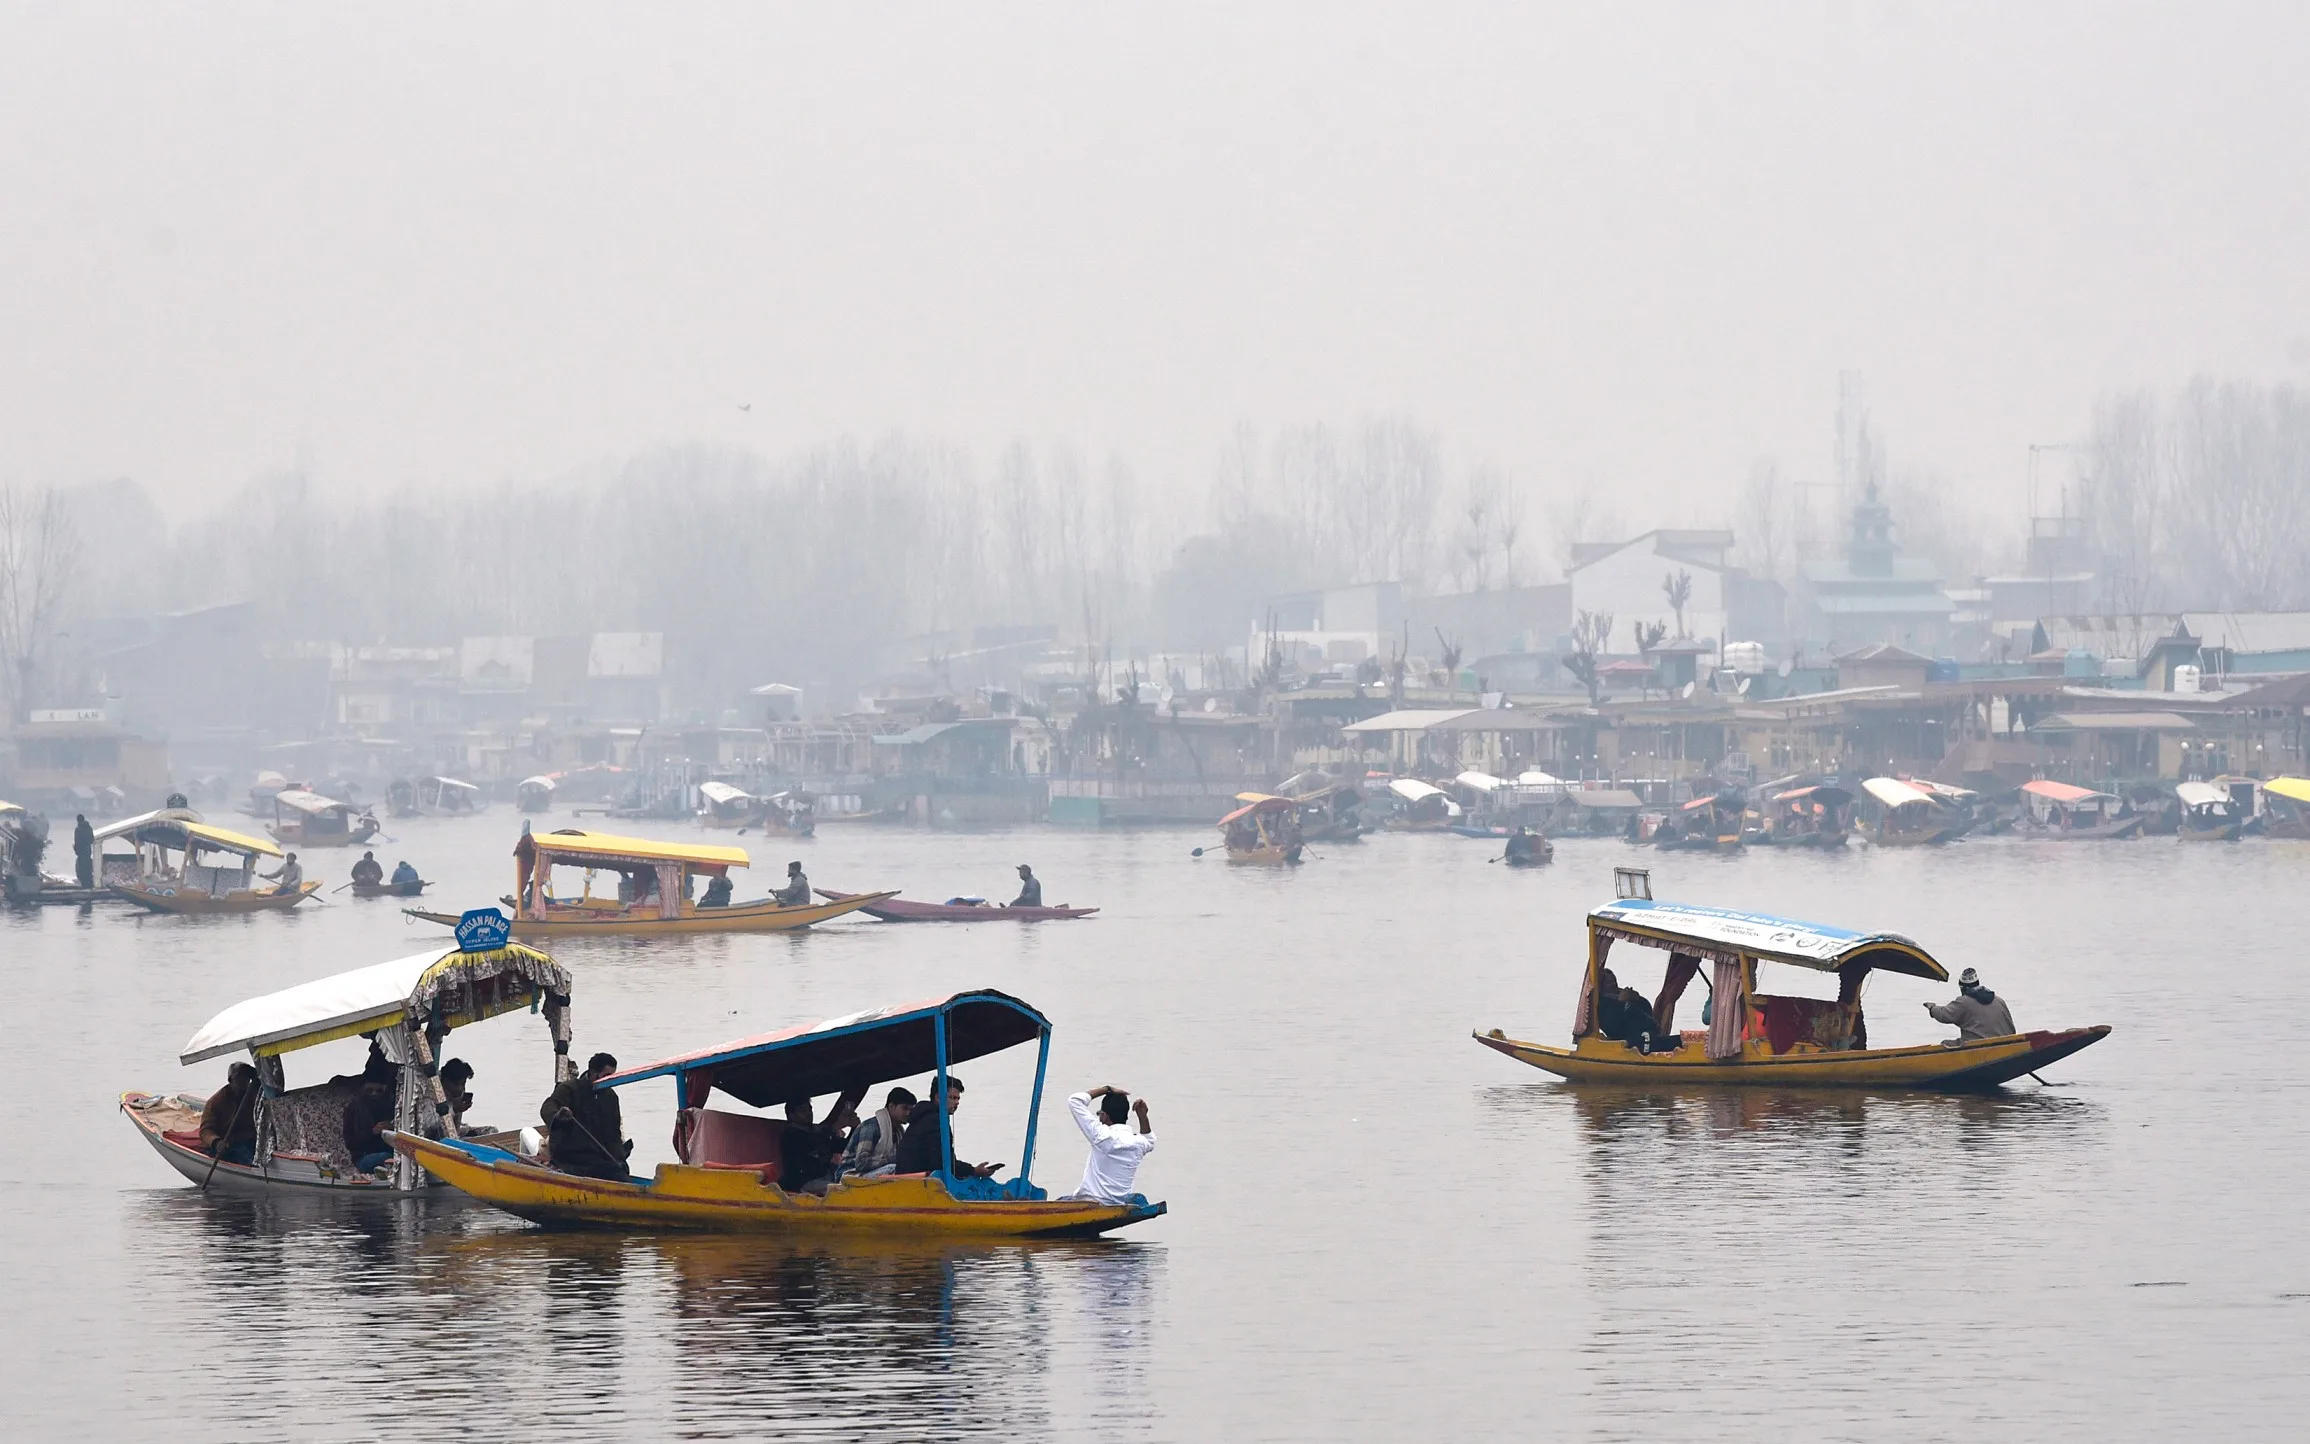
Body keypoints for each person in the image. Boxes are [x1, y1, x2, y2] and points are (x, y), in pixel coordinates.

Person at [541, 1053, 632, 1179]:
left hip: (598, 1158)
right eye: (606, 1076)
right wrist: (559, 1116)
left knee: (619, 1172)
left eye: (613, 1076)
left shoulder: (610, 1097)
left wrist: (620, 1159)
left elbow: (613, 1134)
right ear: (593, 1073)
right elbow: (547, 1108)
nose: (610, 1080)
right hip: (570, 1156)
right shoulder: (569, 1089)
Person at [891, 1076, 1001, 1179]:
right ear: (938, 1097)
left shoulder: (925, 1117)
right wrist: (973, 1171)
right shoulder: (934, 1121)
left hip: (912, 1177)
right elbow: (941, 1162)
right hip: (917, 1181)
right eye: (952, 1098)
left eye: (958, 1099)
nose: (956, 1102)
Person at [1065, 1085, 1157, 1205]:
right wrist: (1142, 1116)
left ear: (1104, 1116)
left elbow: (1075, 1101)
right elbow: (1150, 1140)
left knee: (1058, 1202)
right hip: (1118, 1203)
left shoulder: (1102, 1135)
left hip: (1091, 1202)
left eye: (1099, 1114)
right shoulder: (1138, 1143)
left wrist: (1106, 1089)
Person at [778, 1095, 855, 1195]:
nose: (808, 1113)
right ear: (791, 1115)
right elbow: (813, 1144)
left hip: (826, 1176)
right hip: (803, 1182)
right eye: (803, 1110)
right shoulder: (790, 1134)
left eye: (810, 1109)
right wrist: (835, 1127)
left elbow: (843, 1146)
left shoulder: (817, 1131)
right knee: (842, 1191)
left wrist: (854, 1128)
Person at [1925, 968, 2017, 1041]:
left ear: (1963, 988)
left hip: (1979, 1047)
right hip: (2006, 1044)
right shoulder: (1999, 1000)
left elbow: (1944, 1015)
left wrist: (1932, 1008)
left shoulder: (1964, 1002)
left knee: (1945, 1044)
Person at [842, 1087, 916, 1178]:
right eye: (905, 1108)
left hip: (871, 1174)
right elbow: (861, 1163)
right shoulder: (871, 1126)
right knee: (893, 1169)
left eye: (911, 1110)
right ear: (892, 1106)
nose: (908, 1113)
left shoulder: (899, 1132)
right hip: (850, 1175)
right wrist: (892, 1159)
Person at [199, 1062, 261, 1165]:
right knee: (242, 1154)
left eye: (246, 1077)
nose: (243, 1081)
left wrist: (255, 1076)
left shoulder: (253, 1094)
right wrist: (216, 1142)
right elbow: (205, 1130)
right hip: (228, 1143)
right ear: (230, 1080)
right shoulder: (217, 1101)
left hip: (250, 1140)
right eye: (239, 1077)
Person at [343, 1077, 398, 1173]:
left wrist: (393, 1128)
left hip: (391, 1151)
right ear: (363, 1089)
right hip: (363, 1157)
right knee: (387, 1158)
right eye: (370, 1090)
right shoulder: (353, 1109)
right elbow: (350, 1143)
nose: (374, 1094)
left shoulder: (390, 1107)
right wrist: (372, 1132)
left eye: (379, 1091)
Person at [439, 1057, 476, 1134]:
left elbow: (456, 1125)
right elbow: (431, 1125)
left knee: (491, 1130)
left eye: (463, 1084)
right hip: (438, 1132)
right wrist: (455, 1110)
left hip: (453, 1131)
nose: (460, 1088)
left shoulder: (459, 1091)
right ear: (446, 1081)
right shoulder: (435, 1091)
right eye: (456, 1084)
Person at [73, 813, 94, 890]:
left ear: (78, 820)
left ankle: (84, 885)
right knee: (88, 868)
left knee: (81, 869)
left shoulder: (78, 829)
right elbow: (92, 839)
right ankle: (89, 884)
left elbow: (77, 842)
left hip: (81, 853)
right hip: (88, 851)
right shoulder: (89, 828)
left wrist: (75, 849)